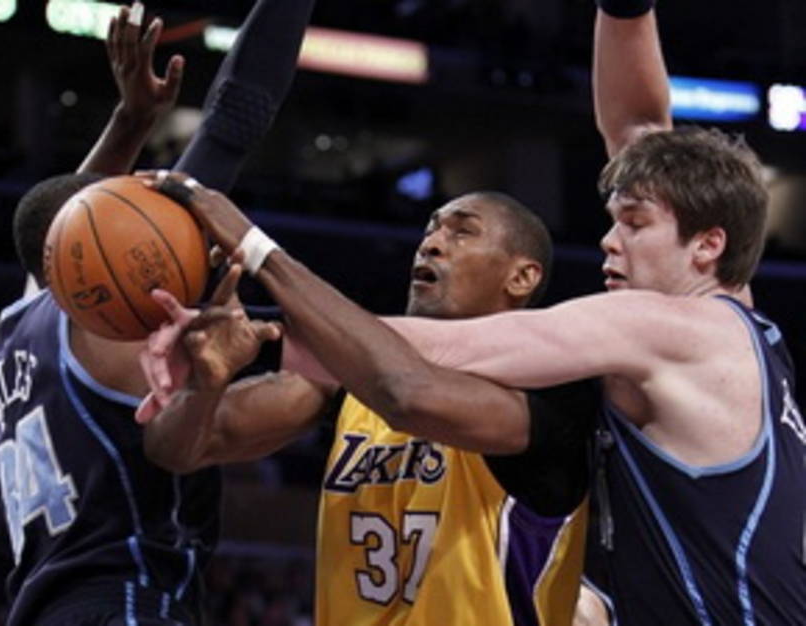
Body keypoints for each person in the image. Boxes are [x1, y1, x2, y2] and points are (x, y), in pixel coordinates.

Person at [144, 14, 806, 617]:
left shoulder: (666, 329)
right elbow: (639, 134)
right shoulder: (729, 323)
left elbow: (418, 370)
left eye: (632, 224)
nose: (607, 241)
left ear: (708, 246)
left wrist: (254, 269)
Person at [0, 1, 315, 623]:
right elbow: (229, 125)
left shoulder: (15, 338)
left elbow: (70, 232)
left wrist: (131, 118)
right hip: (126, 599)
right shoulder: (115, 318)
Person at [137, 189, 598, 624]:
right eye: (430, 230)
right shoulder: (349, 384)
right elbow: (175, 448)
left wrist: (256, 249)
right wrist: (206, 384)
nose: (432, 244)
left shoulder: (550, 391)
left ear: (521, 277)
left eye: (462, 232)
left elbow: (408, 395)